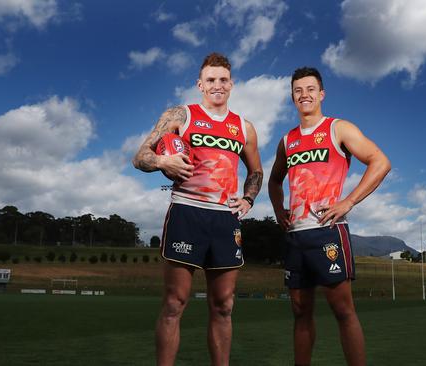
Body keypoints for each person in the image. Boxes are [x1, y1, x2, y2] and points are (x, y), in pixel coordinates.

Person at [132, 52, 263, 366]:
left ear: (231, 84)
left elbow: (256, 171)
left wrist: (248, 199)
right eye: (210, 80)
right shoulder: (180, 115)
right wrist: (163, 161)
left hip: (224, 219)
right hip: (186, 213)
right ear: (200, 84)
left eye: (222, 80)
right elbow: (140, 156)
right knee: (175, 303)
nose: (217, 85)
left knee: (224, 305)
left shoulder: (243, 128)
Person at [268, 67, 391, 366]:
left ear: (321, 94)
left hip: (328, 232)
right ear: (292, 97)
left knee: (343, 310)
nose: (304, 95)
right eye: (298, 90)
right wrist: (278, 210)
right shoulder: (287, 141)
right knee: (300, 311)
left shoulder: (338, 128)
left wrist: (348, 201)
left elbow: (380, 162)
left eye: (310, 89)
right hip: (296, 236)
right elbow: (274, 181)